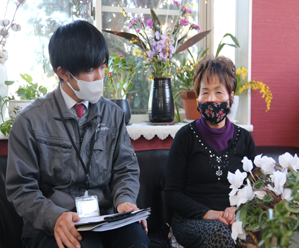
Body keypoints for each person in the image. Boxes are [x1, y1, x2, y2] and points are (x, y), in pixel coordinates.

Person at [5, 20, 149, 248]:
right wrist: (53, 217)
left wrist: (124, 201)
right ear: (62, 72)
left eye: (102, 67)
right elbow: (21, 189)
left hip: (103, 218)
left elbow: (125, 169)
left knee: (135, 238)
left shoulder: (113, 114)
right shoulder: (30, 121)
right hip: (53, 225)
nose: (100, 77)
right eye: (91, 70)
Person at [165, 55, 257, 248]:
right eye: (205, 93)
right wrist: (207, 213)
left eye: (218, 92)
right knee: (221, 234)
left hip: (235, 218)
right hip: (192, 220)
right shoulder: (185, 137)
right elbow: (172, 194)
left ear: (231, 96)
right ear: (197, 97)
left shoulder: (245, 139)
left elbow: (254, 189)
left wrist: (237, 209)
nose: (211, 99)